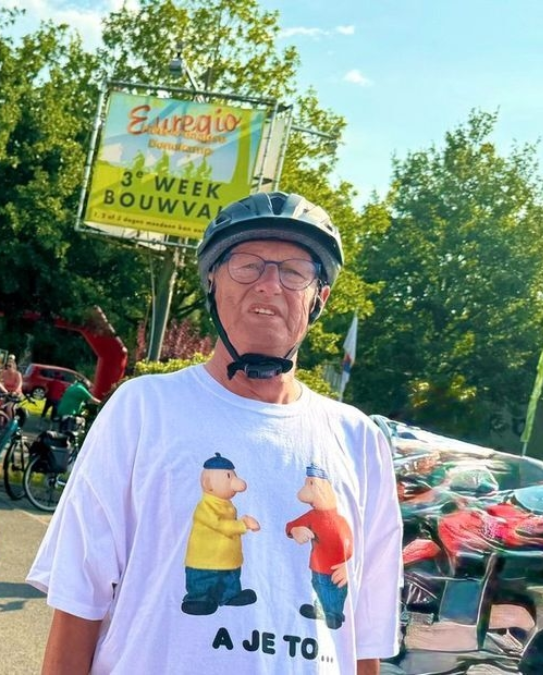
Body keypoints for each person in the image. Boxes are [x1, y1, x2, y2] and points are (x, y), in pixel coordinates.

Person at [28, 191, 402, 674]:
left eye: (294, 271)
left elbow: (361, 638)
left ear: (319, 297)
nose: (269, 285)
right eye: (247, 264)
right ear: (212, 281)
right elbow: (80, 603)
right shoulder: (143, 411)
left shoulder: (360, 441)